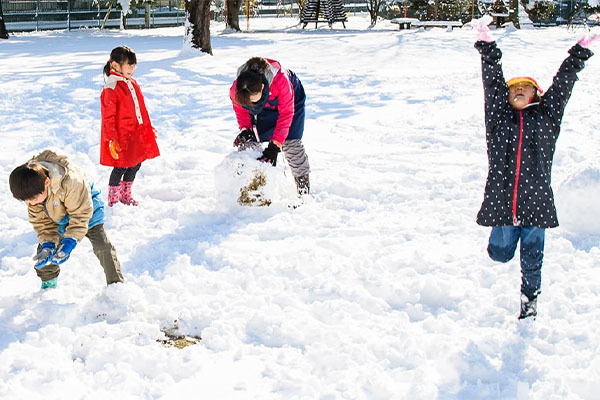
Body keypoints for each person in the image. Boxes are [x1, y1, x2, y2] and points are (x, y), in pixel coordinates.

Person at [474, 20, 596, 319]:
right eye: (513, 87)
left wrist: (578, 53)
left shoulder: (547, 119)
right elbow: (492, 85)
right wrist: (488, 49)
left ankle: (529, 302)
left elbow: (564, 84)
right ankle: (503, 247)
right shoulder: (499, 120)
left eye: (524, 87)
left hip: (536, 201)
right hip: (503, 201)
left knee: (532, 258)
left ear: (535, 95)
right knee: (500, 254)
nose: (517, 89)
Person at [9, 149, 124, 289]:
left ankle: (116, 285)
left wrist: (70, 240)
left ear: (47, 182)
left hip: (86, 210)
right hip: (57, 213)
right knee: (45, 254)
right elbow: (42, 223)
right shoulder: (32, 190)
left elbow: (80, 215)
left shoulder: (71, 181)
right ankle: (48, 284)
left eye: (33, 199)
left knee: (102, 246)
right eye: (26, 201)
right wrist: (47, 243)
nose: (31, 203)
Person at [230, 57, 311, 196]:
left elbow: (286, 114)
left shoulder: (281, 80)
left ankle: (303, 192)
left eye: (254, 100)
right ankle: (251, 191)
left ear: (262, 87)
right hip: (263, 106)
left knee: (291, 143)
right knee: (249, 144)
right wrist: (245, 129)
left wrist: (275, 145)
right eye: (249, 102)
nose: (251, 103)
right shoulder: (238, 89)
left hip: (290, 103)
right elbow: (240, 109)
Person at [100, 45, 160, 207]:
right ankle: (113, 198)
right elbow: (108, 118)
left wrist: (147, 127)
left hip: (136, 132)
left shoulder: (132, 83)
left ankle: (125, 194)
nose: (132, 69)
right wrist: (112, 138)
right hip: (122, 135)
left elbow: (141, 109)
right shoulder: (111, 88)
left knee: (136, 162)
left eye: (134, 66)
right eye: (128, 65)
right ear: (115, 65)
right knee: (121, 166)